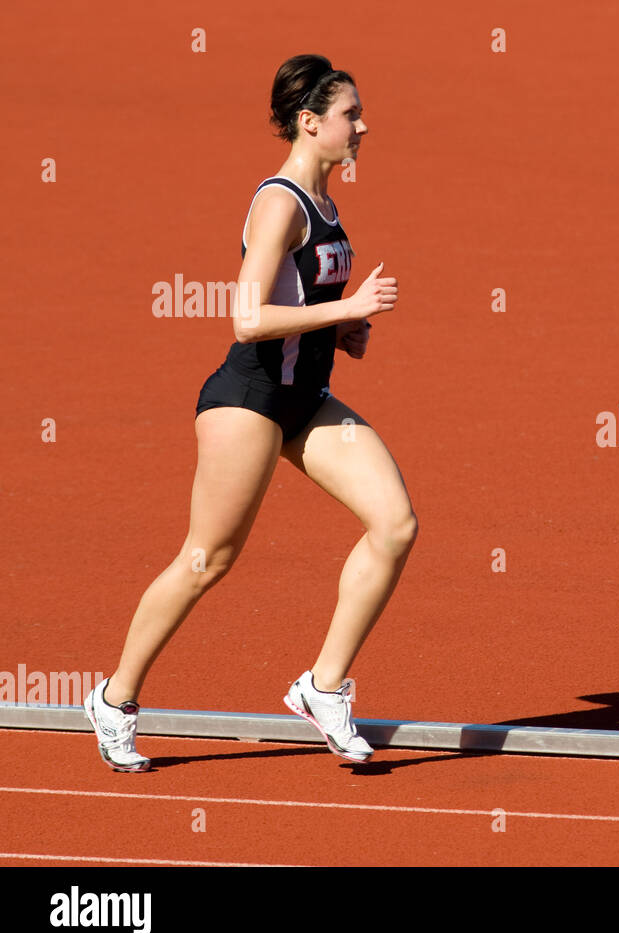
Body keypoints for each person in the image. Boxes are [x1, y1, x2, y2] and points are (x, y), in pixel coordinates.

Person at [84, 54, 416, 771]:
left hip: (305, 401)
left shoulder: (326, 202)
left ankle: (324, 688)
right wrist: (349, 306)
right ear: (309, 122)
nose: (363, 125)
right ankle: (114, 699)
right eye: (350, 114)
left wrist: (340, 329)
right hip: (248, 402)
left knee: (394, 524)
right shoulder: (279, 203)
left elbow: (298, 307)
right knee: (208, 560)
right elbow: (244, 318)